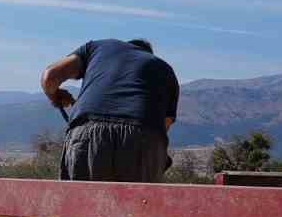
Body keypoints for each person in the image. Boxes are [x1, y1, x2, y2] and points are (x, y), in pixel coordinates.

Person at [40, 38, 179, 182]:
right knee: (136, 203)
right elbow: (164, 126)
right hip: (143, 137)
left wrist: (55, 96)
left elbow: (50, 77)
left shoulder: (98, 48)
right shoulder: (165, 69)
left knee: (81, 202)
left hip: (88, 131)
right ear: (149, 54)